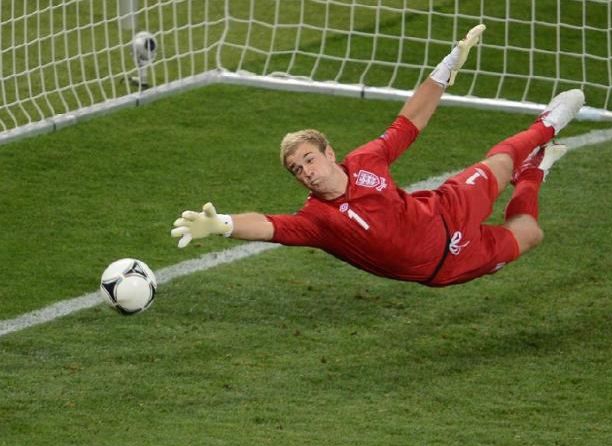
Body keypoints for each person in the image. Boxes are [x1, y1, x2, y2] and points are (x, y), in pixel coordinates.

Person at [171, 25, 585, 287]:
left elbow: (410, 122)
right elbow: (268, 226)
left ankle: (547, 125)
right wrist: (222, 224)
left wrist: (445, 68)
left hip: (446, 209)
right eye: (297, 169)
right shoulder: (318, 221)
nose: (306, 172)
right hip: (446, 266)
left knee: (499, 163)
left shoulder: (366, 160)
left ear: (329, 153)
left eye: (309, 159)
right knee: (529, 232)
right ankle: (534, 174)